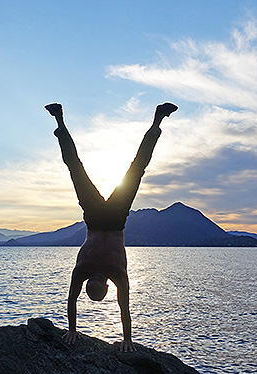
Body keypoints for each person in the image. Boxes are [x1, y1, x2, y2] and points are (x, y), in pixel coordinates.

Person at [45, 102, 178, 352]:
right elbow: (121, 308)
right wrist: (127, 338)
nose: (95, 277)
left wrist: (73, 330)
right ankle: (158, 120)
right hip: (110, 219)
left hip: (100, 218)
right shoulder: (109, 273)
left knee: (81, 168)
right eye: (98, 281)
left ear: (90, 282)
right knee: (132, 169)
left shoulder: (91, 271)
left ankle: (60, 121)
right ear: (106, 284)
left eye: (91, 281)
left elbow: (73, 301)